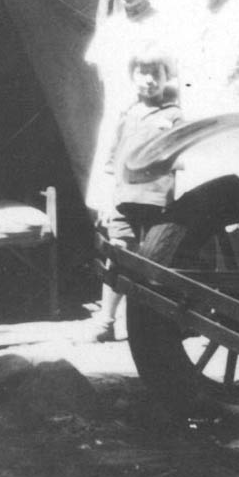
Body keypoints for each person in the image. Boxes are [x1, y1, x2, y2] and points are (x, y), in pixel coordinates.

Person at [82, 0, 168, 342]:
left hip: (152, 131)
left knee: (148, 228)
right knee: (115, 224)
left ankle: (150, 323)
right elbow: (104, 86)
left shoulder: (164, 26)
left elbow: (176, 83)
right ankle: (107, 318)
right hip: (119, 129)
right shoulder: (111, 28)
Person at [83, 46, 182, 343]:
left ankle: (151, 328)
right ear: (133, 76)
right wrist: (106, 200)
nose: (149, 80)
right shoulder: (126, 113)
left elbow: (180, 160)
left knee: (154, 263)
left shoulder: (174, 115)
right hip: (124, 199)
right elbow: (111, 162)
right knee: (118, 254)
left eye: (156, 74)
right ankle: (106, 321)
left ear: (166, 78)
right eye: (143, 73)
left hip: (158, 201)